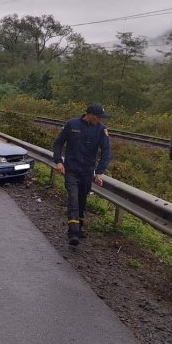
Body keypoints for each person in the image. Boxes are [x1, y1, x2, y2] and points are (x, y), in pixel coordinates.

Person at [53, 103, 112, 246]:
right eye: (98, 117)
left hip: (87, 172)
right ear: (90, 114)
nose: (100, 120)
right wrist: (59, 161)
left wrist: (99, 172)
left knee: (81, 200)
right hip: (71, 169)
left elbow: (107, 152)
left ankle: (79, 228)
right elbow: (58, 143)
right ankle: (73, 232)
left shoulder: (101, 130)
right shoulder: (71, 124)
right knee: (73, 198)